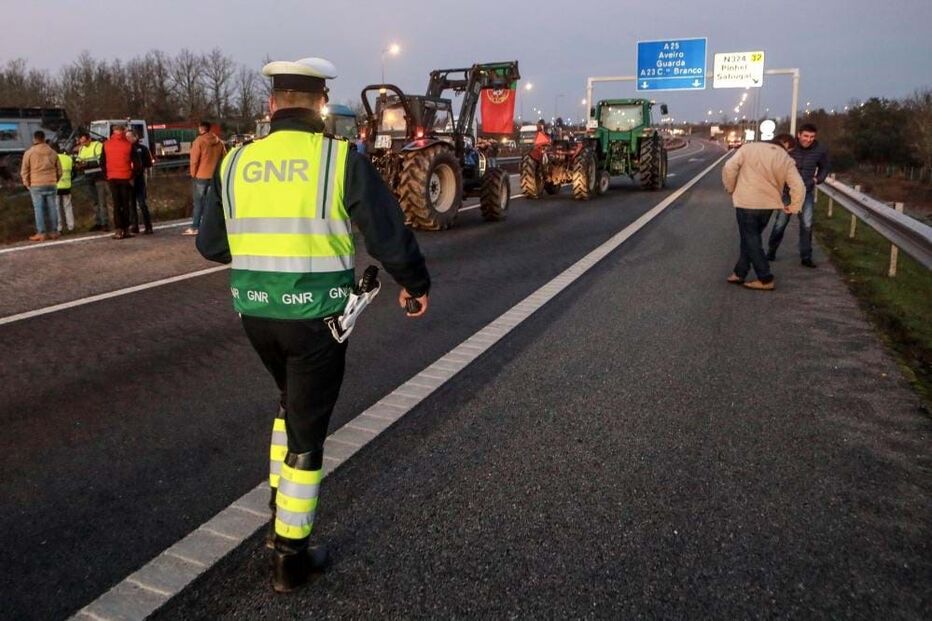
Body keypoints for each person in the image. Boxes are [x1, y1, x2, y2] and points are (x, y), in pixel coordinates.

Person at [196, 56, 430, 593]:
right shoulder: (338, 158)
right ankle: (291, 554)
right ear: (321, 103)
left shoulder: (234, 162)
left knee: (290, 404)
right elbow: (387, 233)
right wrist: (414, 284)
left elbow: (212, 246)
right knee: (308, 434)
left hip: (255, 315)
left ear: (271, 104)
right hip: (316, 318)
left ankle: (279, 505)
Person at [722, 134, 805, 290]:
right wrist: (795, 205)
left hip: (746, 202)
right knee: (751, 238)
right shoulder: (785, 158)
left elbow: (729, 167)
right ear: (786, 143)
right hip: (768, 205)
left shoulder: (748, 148)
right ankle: (739, 273)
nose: (790, 151)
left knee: (751, 239)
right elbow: (798, 184)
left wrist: (730, 187)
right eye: (790, 149)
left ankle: (765, 278)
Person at [767, 123, 830, 267]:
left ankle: (806, 257)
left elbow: (825, 167)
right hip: (787, 192)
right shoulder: (790, 147)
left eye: (812, 137)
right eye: (806, 136)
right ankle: (771, 251)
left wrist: (816, 179)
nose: (808, 139)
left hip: (806, 192)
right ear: (799, 135)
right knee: (780, 224)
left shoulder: (820, 149)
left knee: (807, 225)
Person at [183, 121, 226, 236]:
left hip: (201, 175)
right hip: (215, 176)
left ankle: (195, 227)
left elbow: (194, 160)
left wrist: (193, 173)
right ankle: (214, 226)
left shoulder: (198, 141)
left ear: (201, 129)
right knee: (214, 202)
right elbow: (224, 158)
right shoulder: (220, 142)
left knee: (198, 202)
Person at [21, 130, 62, 241]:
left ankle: (41, 233)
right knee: (52, 207)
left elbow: (24, 170)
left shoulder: (29, 153)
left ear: (34, 139)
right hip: (51, 183)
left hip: (36, 184)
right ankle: (54, 231)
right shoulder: (53, 152)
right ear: (44, 139)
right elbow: (59, 170)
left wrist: (27, 183)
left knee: (38, 209)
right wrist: (55, 180)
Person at [100, 124, 136, 239]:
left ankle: (118, 230)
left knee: (116, 203)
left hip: (112, 177)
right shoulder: (128, 145)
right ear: (123, 131)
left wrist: (107, 174)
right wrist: (132, 176)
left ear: (113, 131)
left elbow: (102, 162)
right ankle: (126, 229)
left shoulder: (106, 145)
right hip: (125, 177)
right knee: (126, 204)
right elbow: (136, 163)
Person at [75, 131, 109, 231]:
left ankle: (105, 223)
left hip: (99, 176)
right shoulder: (82, 148)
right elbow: (79, 160)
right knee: (95, 201)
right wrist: (78, 164)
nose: (83, 144)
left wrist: (86, 164)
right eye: (81, 142)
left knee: (101, 201)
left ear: (89, 139)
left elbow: (100, 160)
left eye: (85, 141)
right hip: (89, 177)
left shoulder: (97, 145)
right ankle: (98, 222)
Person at [127, 130, 154, 234]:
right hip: (129, 178)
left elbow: (148, 163)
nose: (128, 139)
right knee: (131, 203)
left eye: (130, 136)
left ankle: (148, 226)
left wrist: (140, 168)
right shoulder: (126, 149)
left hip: (139, 178)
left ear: (135, 137)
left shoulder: (142, 149)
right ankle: (134, 225)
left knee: (142, 202)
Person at [54, 143, 75, 234]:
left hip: (56, 187)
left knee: (56, 208)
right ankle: (71, 226)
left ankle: (59, 228)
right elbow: (74, 173)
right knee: (68, 206)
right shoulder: (68, 158)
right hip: (67, 186)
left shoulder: (53, 159)